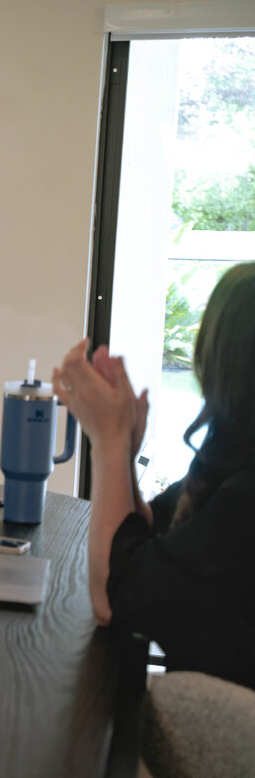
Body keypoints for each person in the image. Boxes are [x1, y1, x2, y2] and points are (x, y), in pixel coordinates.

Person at [53, 261, 255, 690]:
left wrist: (107, 443)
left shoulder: (245, 497)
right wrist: (122, 452)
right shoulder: (232, 464)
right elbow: (143, 535)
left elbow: (113, 599)